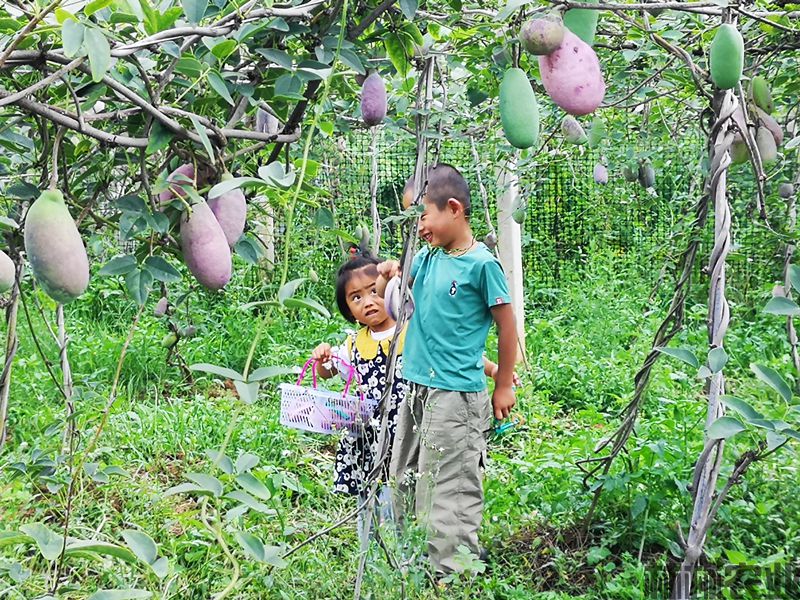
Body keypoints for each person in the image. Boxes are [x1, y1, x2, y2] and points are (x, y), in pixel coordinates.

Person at [377, 163, 518, 576]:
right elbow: (425, 308)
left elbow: (507, 328)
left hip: (456, 396)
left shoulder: (481, 265)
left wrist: (503, 382)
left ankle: (452, 572)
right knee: (405, 474)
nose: (417, 226)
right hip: (418, 386)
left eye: (421, 215)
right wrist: (392, 270)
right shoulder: (427, 257)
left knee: (448, 485)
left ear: (453, 208)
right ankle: (414, 560)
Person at [311, 248, 408, 539]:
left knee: (401, 496)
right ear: (348, 310)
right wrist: (323, 359)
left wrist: (492, 371)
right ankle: (372, 554)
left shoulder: (410, 330)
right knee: (369, 497)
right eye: (356, 298)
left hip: (405, 431)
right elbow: (330, 371)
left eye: (375, 291)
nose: (368, 302)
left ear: (390, 291)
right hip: (368, 437)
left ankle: (405, 558)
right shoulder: (354, 345)